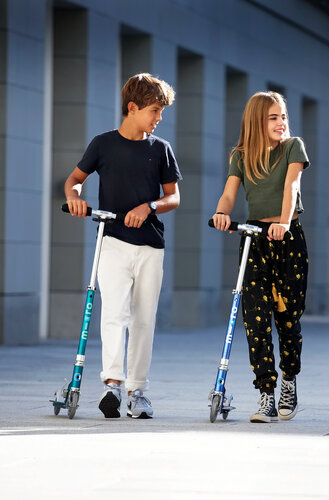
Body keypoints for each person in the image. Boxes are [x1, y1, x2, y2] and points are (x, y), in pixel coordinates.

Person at [64, 73, 182, 419]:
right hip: (112, 241)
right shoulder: (103, 144)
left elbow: (173, 196)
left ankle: (138, 391)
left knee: (144, 318)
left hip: (150, 246)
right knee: (114, 314)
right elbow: (74, 181)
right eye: (154, 111)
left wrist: (149, 207)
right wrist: (75, 198)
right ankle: (112, 385)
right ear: (132, 108)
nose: (159, 118)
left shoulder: (160, 149)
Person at [213, 91, 310, 423]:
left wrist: (283, 222)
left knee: (287, 318)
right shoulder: (241, 155)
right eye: (273, 117)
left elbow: (291, 187)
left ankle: (288, 381)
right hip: (255, 239)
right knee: (255, 320)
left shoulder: (293, 147)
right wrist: (221, 214)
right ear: (257, 121)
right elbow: (228, 194)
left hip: (288, 238)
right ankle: (266, 394)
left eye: (283, 116)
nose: (281, 122)